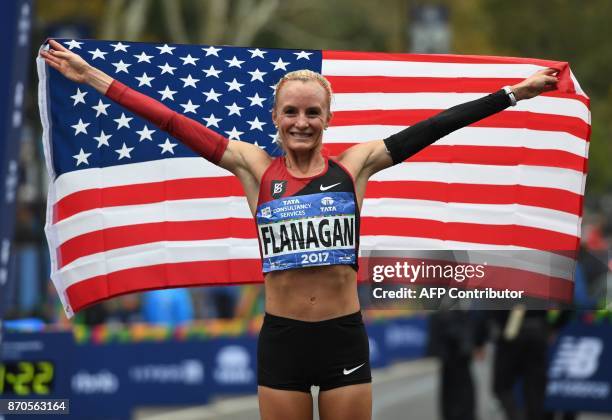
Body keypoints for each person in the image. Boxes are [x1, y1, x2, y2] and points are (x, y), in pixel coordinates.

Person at [40, 39, 558, 420]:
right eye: (292, 112)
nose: (302, 122)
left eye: (313, 112)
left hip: (343, 339)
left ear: (327, 119)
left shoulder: (355, 167)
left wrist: (514, 94)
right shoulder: (254, 168)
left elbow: (435, 127)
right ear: (275, 118)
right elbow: (175, 123)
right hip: (283, 340)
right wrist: (95, 79)